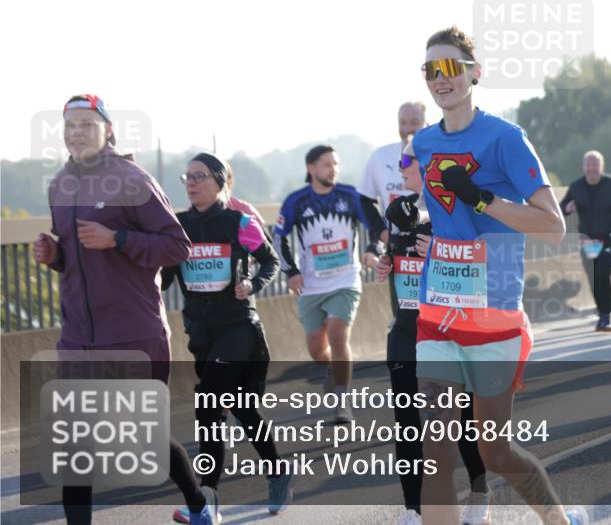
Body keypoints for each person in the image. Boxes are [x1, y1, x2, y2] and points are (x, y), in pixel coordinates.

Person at [412, 26, 587, 525]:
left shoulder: (506, 138)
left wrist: (483, 199)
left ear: (474, 73)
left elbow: (553, 226)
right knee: (437, 452)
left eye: (450, 68)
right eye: (430, 70)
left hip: (493, 314)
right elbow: (444, 217)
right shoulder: (423, 143)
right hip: (438, 311)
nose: (440, 79)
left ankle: (557, 519)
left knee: (495, 453)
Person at [33, 95, 220, 525]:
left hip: (133, 333)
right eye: (69, 125)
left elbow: (177, 246)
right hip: (78, 337)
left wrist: (117, 238)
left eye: (85, 124)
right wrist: (55, 254)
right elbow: (79, 260)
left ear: (109, 130)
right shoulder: (60, 184)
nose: (75, 133)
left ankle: (198, 506)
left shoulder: (132, 180)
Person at [163, 153, 291, 523]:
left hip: (239, 326)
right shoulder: (178, 226)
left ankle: (208, 497)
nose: (191, 182)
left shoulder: (239, 222)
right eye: (187, 176)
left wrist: (252, 283)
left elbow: (269, 260)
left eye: (200, 176)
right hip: (201, 331)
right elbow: (168, 276)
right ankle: (278, 471)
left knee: (208, 405)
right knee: (242, 409)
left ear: (220, 182)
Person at [374, 138, 491, 525]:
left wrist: (439, 253)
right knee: (407, 424)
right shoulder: (398, 211)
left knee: (459, 424)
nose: (401, 168)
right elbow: (391, 255)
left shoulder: (458, 209)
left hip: (451, 331)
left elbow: (485, 264)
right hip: (407, 329)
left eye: (406, 162)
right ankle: (412, 509)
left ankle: (479, 495)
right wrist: (384, 266)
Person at [274, 145, 385, 423]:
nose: (333, 169)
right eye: (326, 164)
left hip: (346, 280)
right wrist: (292, 271)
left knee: (338, 335)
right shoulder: (296, 201)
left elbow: (376, 225)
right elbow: (278, 237)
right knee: (316, 348)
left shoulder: (350, 196)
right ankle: (332, 370)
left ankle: (342, 402)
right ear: (311, 168)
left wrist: (373, 249)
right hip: (310, 285)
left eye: (335, 163)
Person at [560, 150, 611, 331]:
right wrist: (567, 208)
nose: (592, 169)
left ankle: (607, 315)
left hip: (609, 237)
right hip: (587, 241)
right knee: (594, 277)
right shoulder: (576, 187)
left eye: (595, 165)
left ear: (601, 167)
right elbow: (562, 207)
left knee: (603, 272)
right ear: (584, 167)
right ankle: (602, 312)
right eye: (589, 165)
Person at [359, 101, 429, 220]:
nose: (408, 128)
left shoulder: (438, 155)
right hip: (394, 237)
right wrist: (381, 231)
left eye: (414, 122)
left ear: (426, 124)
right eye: (402, 123)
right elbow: (365, 200)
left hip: (431, 236)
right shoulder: (380, 156)